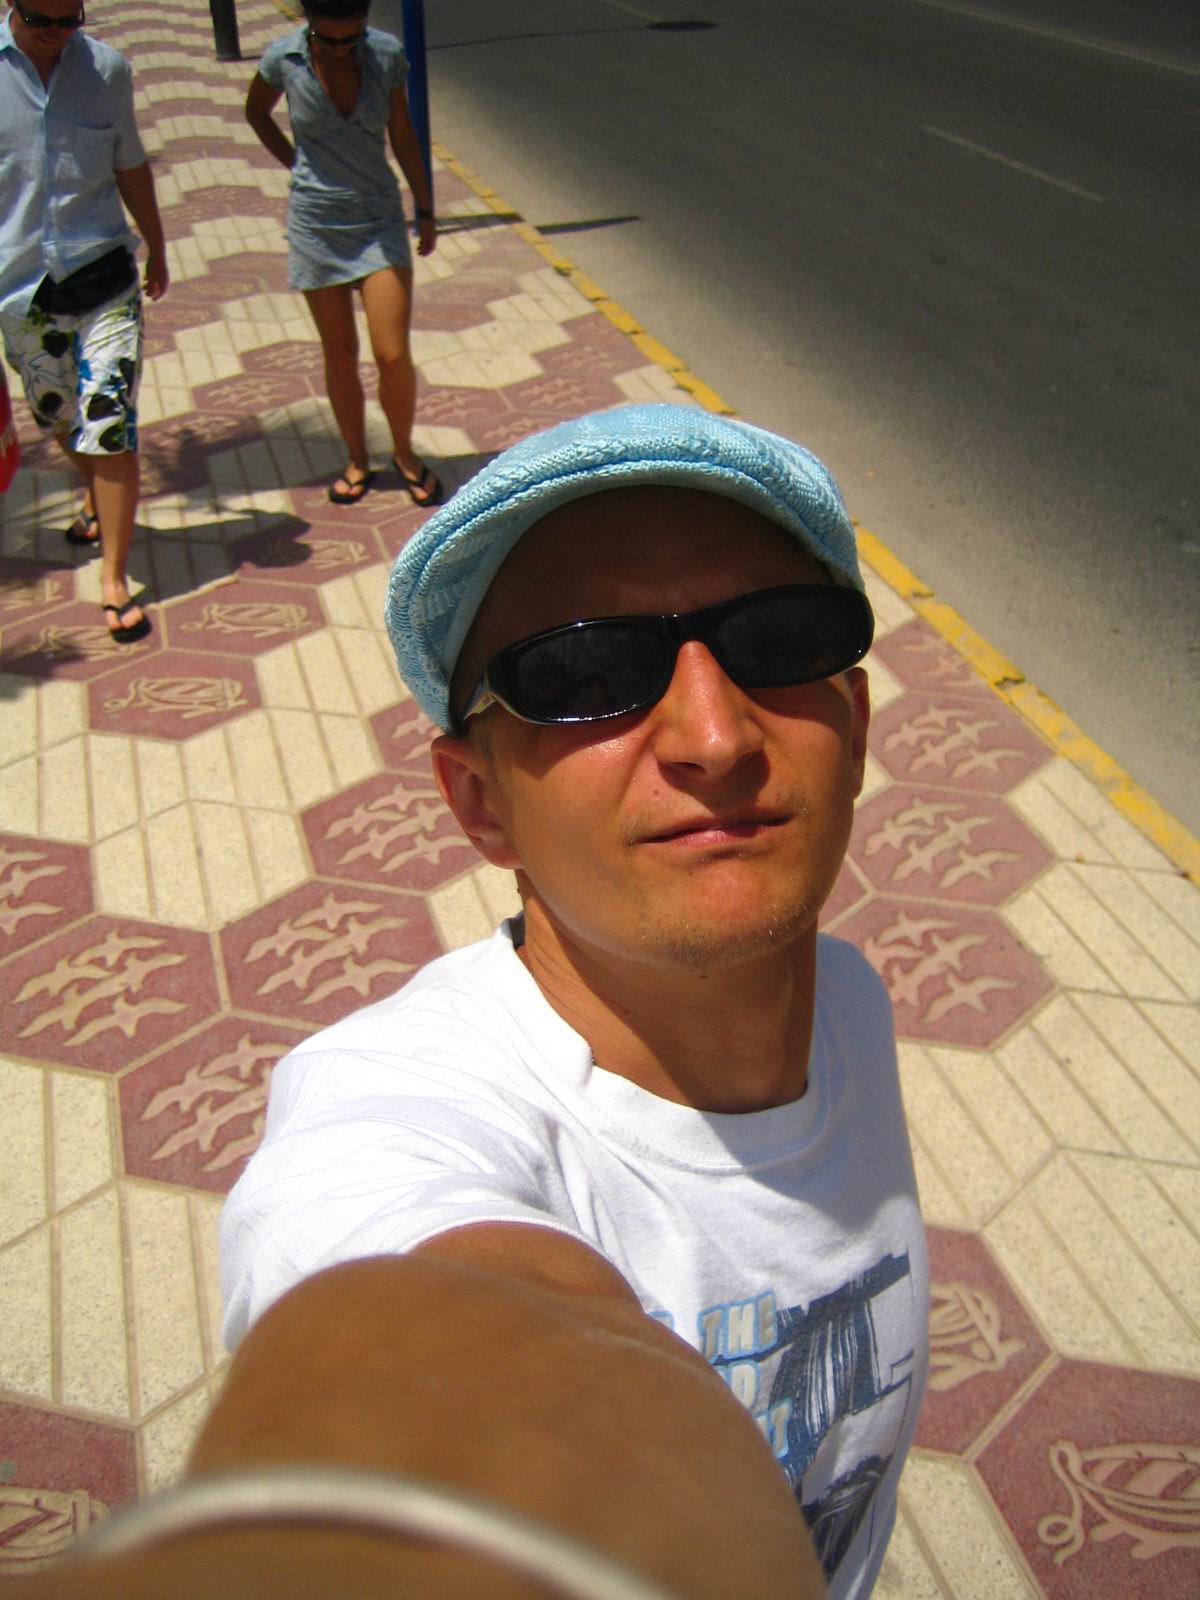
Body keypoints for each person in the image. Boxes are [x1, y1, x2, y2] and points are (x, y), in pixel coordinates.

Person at [13, 406, 927, 1600]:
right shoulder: (391, 1101)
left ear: (855, 723)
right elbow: (416, 1331)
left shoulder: (849, 1003)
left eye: (778, 637)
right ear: (478, 803)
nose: (714, 735)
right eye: (587, 672)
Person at [0, 0, 167, 642]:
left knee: (110, 425)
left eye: (68, 20)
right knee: (58, 417)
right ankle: (95, 493)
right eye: (39, 20)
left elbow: (130, 163)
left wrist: (157, 245)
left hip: (104, 278)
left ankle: (114, 577)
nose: (54, 35)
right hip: (19, 290)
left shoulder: (107, 71)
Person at [245, 0, 443, 509]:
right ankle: (357, 459)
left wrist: (424, 207)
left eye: (350, 38)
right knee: (340, 353)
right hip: (316, 225)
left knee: (391, 352)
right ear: (309, 22)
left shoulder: (386, 55)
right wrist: (294, 162)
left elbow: (402, 133)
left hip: (378, 219)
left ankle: (404, 453)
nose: (339, 50)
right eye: (328, 40)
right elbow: (256, 113)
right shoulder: (283, 59)